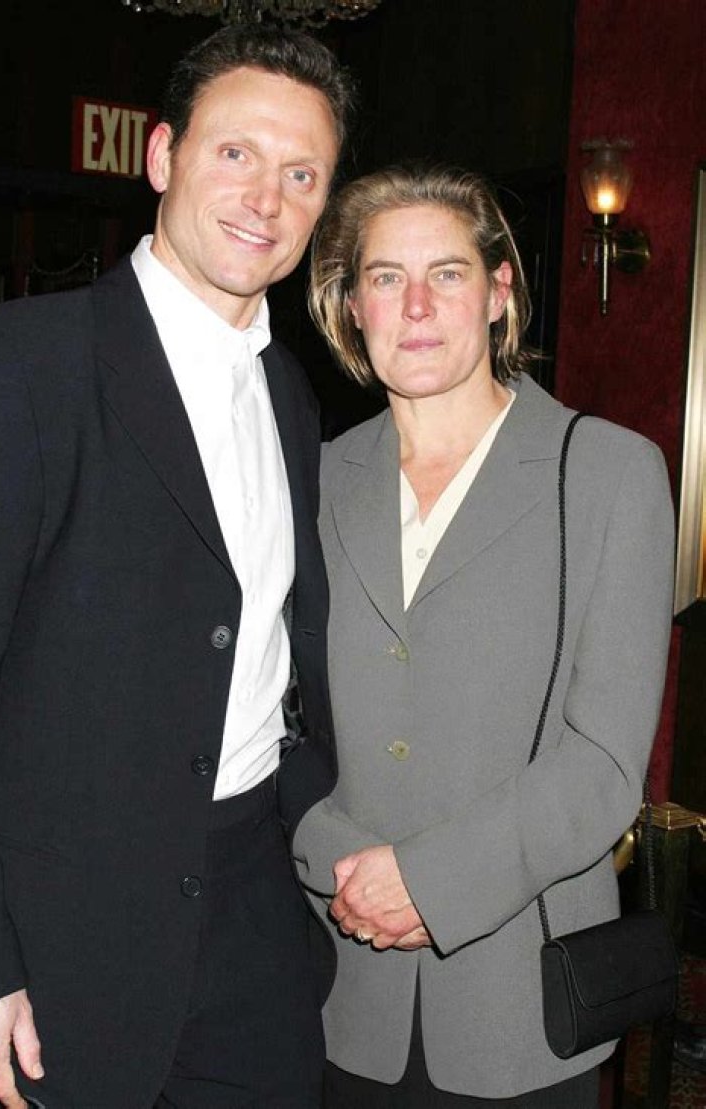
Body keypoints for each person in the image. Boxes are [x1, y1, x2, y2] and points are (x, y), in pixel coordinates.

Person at [0, 24, 355, 1109]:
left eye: (302, 174)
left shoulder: (290, 393)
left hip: (252, 910)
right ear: (162, 157)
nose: (266, 198)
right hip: (63, 935)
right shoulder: (22, 364)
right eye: (236, 153)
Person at [294, 164, 675, 1107]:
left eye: (448, 273)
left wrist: (429, 882)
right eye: (386, 277)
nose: (417, 305)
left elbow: (604, 765)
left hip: (522, 1010)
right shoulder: (316, 478)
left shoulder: (608, 474)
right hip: (336, 990)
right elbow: (273, 718)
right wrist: (332, 863)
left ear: (500, 291)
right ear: (351, 305)